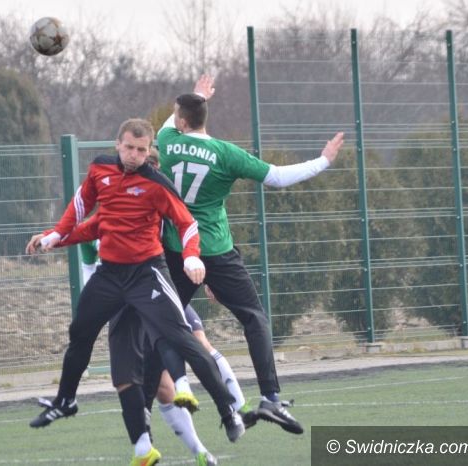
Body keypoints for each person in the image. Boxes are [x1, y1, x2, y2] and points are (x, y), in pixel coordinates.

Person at [26, 118, 243, 466]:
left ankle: (227, 410)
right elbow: (81, 208)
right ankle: (67, 401)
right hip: (110, 276)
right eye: (129, 147)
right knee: (81, 332)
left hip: (147, 275)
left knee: (184, 339)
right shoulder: (100, 170)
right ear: (118, 144)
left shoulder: (156, 184)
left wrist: (191, 256)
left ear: (148, 150)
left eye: (142, 150)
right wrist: (54, 236)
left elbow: (187, 223)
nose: (134, 155)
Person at [156, 75, 345, 435]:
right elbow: (277, 177)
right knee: (254, 318)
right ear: (203, 118)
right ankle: (270, 398)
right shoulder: (226, 154)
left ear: (181, 120)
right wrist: (323, 161)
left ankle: (179, 394)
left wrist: (197, 94)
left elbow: (169, 122)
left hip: (177, 249)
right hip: (215, 251)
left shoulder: (167, 140)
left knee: (164, 323)